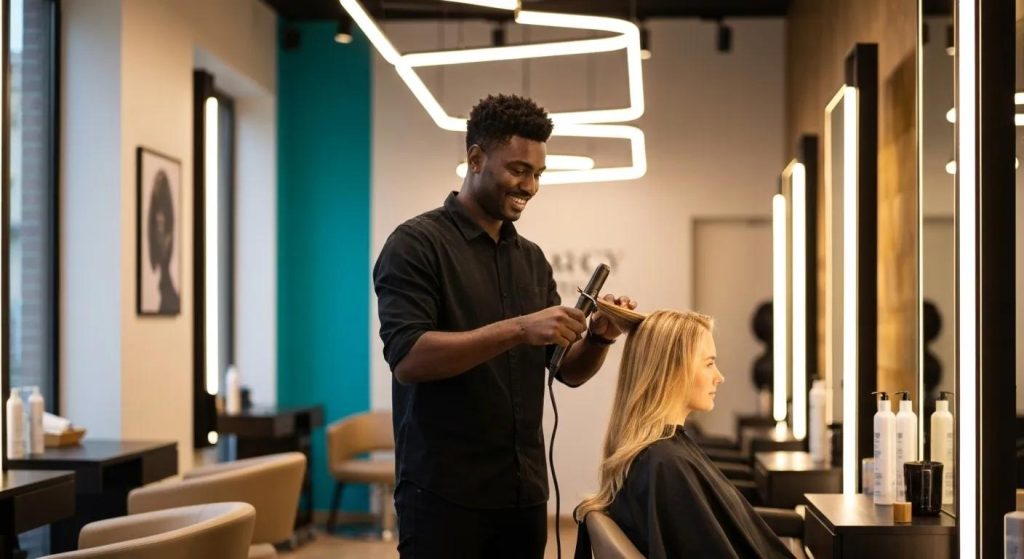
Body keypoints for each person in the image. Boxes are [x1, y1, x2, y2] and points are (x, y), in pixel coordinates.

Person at [373, 93, 637, 558]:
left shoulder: (531, 260)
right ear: (475, 159)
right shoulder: (415, 245)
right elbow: (409, 359)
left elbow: (564, 369)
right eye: (518, 169)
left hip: (523, 494)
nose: (530, 186)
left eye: (537, 174)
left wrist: (597, 339)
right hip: (442, 496)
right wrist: (518, 329)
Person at [574, 300, 796, 559]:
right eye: (709, 363)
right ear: (673, 370)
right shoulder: (665, 464)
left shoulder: (658, 457)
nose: (719, 376)